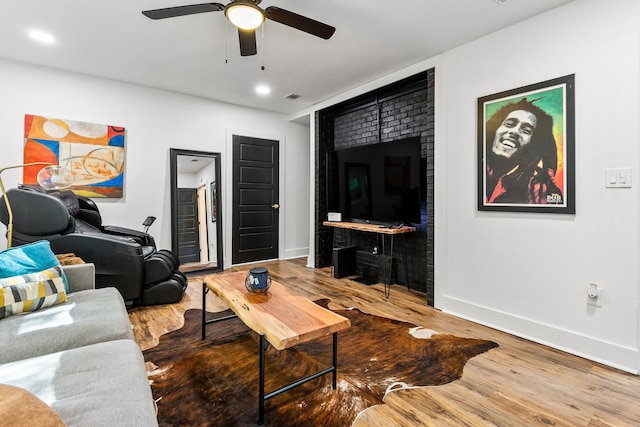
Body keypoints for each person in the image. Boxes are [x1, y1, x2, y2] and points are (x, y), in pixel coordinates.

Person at [484, 97, 563, 205]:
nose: (514, 131)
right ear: (495, 130)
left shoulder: (541, 189)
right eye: (509, 124)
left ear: (533, 144)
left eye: (526, 130)